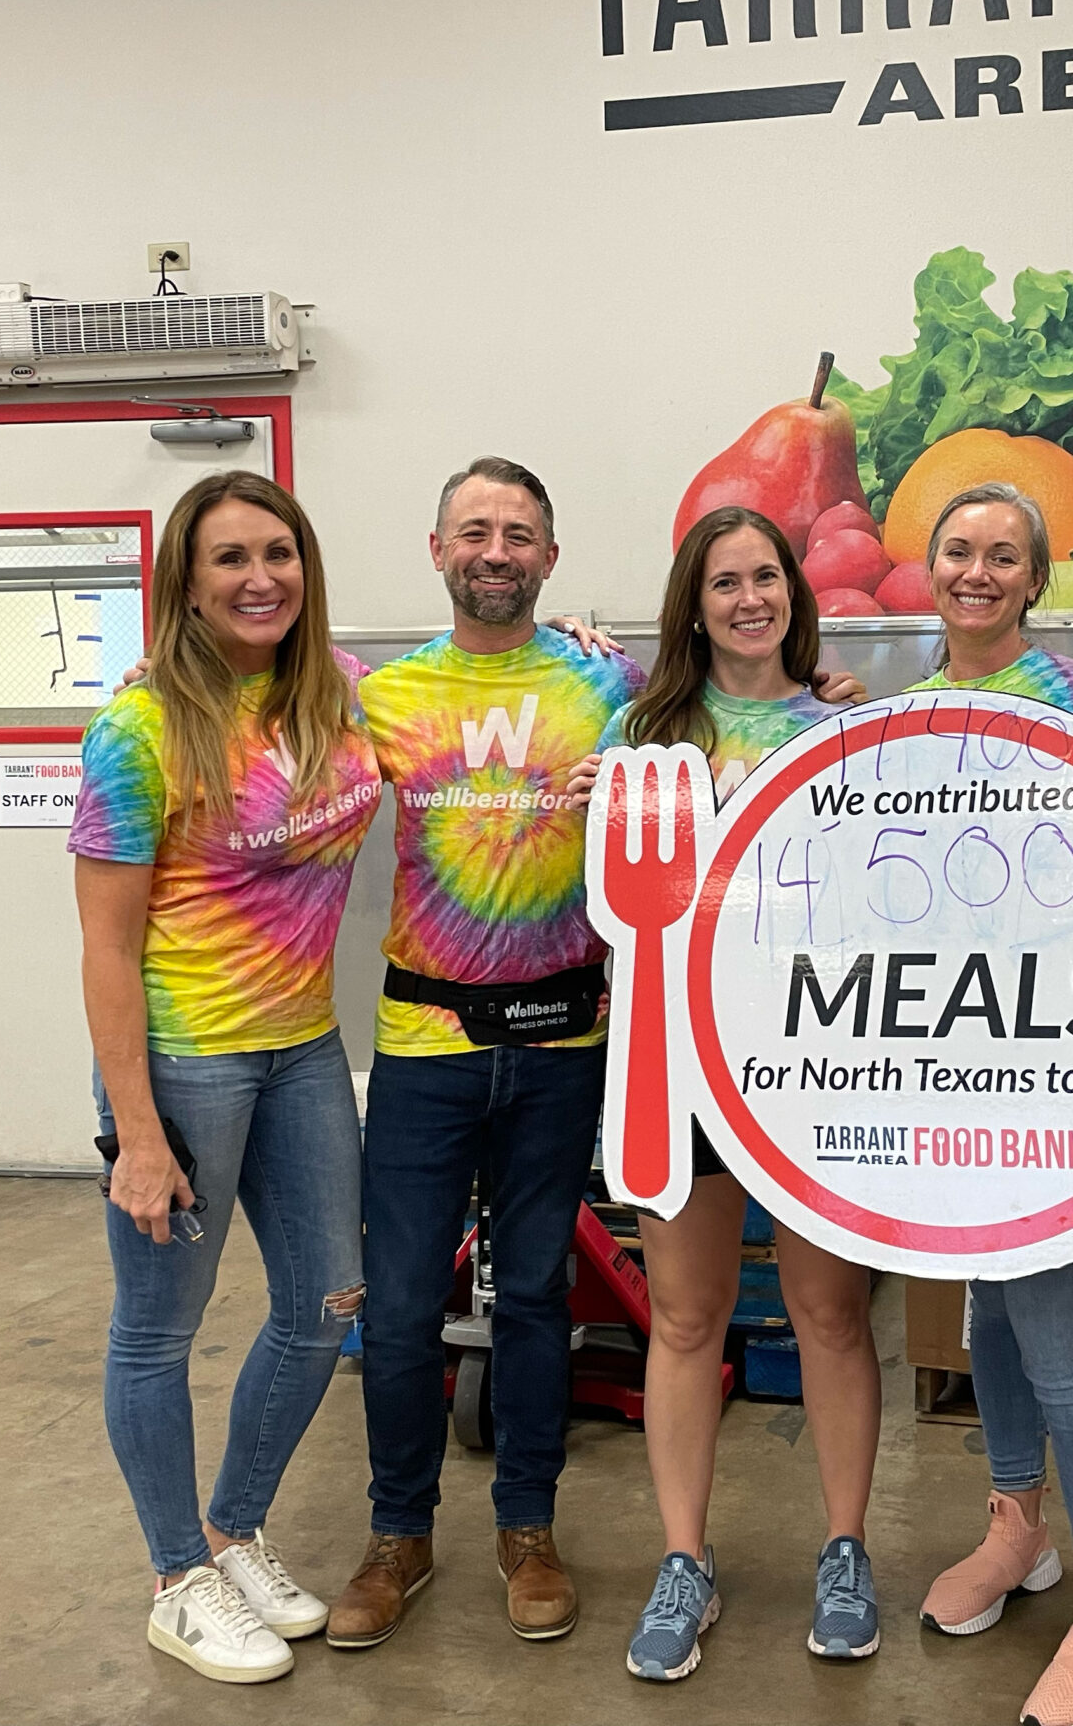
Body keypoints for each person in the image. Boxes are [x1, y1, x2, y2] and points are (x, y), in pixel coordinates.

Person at [329, 456, 647, 1653]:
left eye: (519, 532)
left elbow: (728, 729)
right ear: (438, 549)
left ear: (552, 559)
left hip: (566, 1040)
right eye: (476, 529)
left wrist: (826, 681)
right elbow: (254, 730)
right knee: (402, 1306)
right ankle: (396, 1538)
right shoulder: (380, 695)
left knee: (535, 1302)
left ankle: (528, 1529)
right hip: (423, 1043)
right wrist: (163, 672)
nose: (497, 549)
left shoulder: (607, 679)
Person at [70, 471, 383, 1685]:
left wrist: (583, 651)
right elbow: (105, 946)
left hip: (303, 1046)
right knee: (158, 1332)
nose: (261, 578)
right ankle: (175, 1579)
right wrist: (137, 1133)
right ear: (186, 586)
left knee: (326, 1303)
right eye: (230, 559)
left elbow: (480, 715)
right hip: (185, 1062)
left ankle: (230, 1528)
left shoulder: (342, 696)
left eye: (280, 554)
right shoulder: (139, 730)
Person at [570, 506, 884, 1682]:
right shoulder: (642, 731)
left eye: (765, 578)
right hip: (678, 1061)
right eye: (723, 583)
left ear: (794, 595)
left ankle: (845, 1547)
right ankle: (684, 1560)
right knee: (688, 1319)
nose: (748, 598)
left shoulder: (849, 725)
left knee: (831, 1316)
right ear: (691, 605)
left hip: (816, 1057)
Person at [903, 481, 1073, 1726]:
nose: (978, 571)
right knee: (987, 1316)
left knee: (1057, 1336)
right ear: (927, 563)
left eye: (1004, 556)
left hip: (1051, 1063)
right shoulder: (898, 706)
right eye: (959, 550)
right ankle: (1018, 1529)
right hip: (939, 1060)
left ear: (1036, 577)